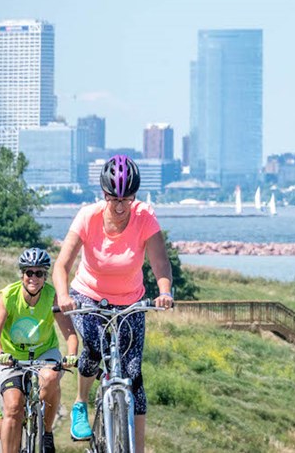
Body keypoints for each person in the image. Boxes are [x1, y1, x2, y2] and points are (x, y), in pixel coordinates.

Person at [53, 154, 174, 451]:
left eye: (127, 198)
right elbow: (61, 266)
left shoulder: (145, 216)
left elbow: (160, 263)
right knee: (93, 347)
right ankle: (81, 402)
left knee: (133, 377)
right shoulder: (87, 216)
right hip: (88, 297)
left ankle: (136, 448)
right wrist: (65, 296)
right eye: (114, 198)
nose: (120, 207)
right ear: (104, 194)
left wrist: (165, 291)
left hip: (130, 303)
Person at [0, 248, 79, 453]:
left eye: (39, 273)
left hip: (44, 354)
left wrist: (71, 355)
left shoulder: (52, 296)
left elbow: (70, 334)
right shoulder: (7, 296)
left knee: (50, 378)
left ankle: (46, 432)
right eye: (29, 272)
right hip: (11, 358)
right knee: (13, 406)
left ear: (45, 276)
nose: (34, 278)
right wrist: (0, 353)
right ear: (22, 274)